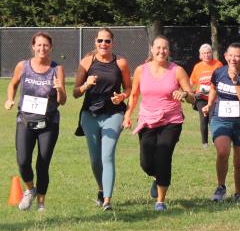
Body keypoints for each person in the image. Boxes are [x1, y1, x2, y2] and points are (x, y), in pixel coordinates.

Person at [123, 36, 194, 211]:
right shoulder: (141, 70)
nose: (161, 51)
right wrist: (127, 115)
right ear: (152, 49)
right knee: (146, 162)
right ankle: (157, 177)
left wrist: (184, 94)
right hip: (147, 120)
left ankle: (160, 201)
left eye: (165, 48)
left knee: (163, 156)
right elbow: (134, 95)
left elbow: (192, 96)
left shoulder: (177, 71)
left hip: (171, 121)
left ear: (168, 51)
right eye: (158, 47)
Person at [4, 31, 67, 212]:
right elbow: (13, 84)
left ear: (51, 47)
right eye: (39, 45)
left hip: (48, 122)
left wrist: (60, 89)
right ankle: (30, 189)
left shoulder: (57, 69)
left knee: (43, 163)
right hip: (25, 120)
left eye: (45, 45)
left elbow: (63, 101)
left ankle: (41, 204)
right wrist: (10, 99)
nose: (42, 48)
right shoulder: (23, 66)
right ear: (33, 47)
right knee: (23, 161)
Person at [74, 28, 131, 212]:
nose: (103, 44)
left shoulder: (120, 62)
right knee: (95, 159)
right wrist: (86, 85)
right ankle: (101, 189)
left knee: (107, 156)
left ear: (112, 43)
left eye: (107, 41)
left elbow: (129, 88)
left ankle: (107, 200)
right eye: (100, 41)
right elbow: (75, 92)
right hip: (90, 115)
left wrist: (122, 96)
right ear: (95, 42)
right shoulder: (87, 62)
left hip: (113, 114)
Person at [202, 43, 240, 204]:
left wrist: (236, 82)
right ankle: (221, 187)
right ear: (225, 56)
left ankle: (238, 194)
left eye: (237, 55)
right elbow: (213, 88)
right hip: (221, 118)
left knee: (239, 162)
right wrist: (209, 104)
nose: (233, 58)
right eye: (230, 55)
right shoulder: (218, 72)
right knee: (222, 151)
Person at [189, 43, 223, 148]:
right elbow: (191, 81)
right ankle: (205, 143)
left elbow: (223, 78)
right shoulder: (197, 67)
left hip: (214, 97)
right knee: (203, 119)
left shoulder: (218, 64)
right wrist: (188, 91)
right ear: (200, 55)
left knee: (213, 119)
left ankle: (215, 140)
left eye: (208, 52)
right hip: (201, 98)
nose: (206, 55)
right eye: (204, 53)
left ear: (211, 53)